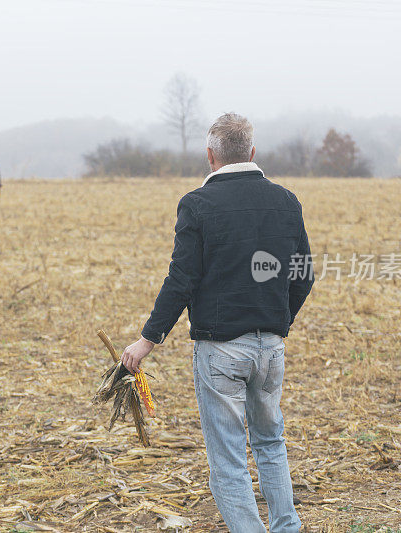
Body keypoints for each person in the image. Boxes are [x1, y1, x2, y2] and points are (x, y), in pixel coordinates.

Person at [120, 112, 313, 533]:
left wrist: (147, 339)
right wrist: (279, 322)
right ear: (252, 153)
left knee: (227, 461)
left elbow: (181, 279)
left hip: (221, 351)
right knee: (270, 442)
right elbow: (303, 274)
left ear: (211, 156)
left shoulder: (198, 205)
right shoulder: (287, 201)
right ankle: (287, 527)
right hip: (271, 349)